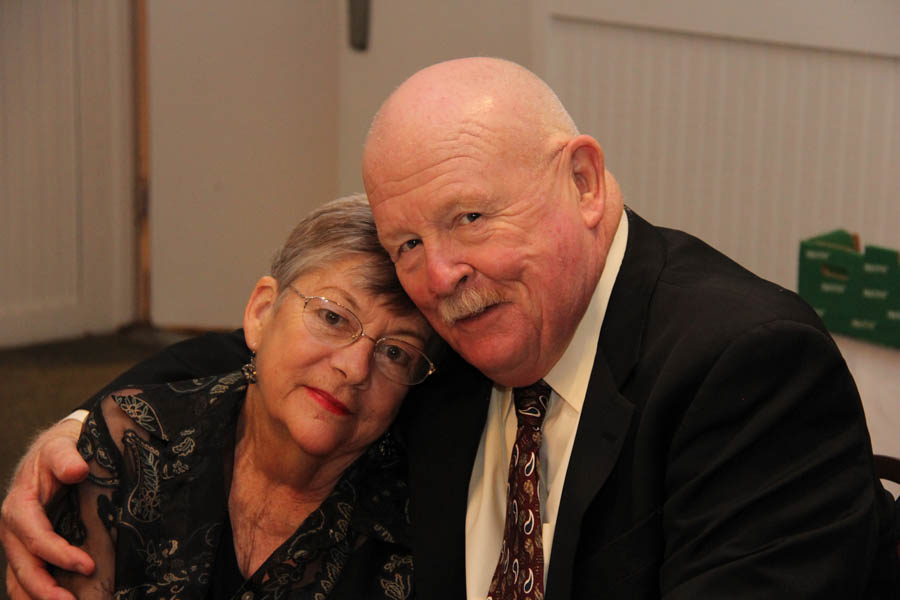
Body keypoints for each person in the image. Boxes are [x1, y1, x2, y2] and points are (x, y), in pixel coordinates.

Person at [3, 58, 898, 599]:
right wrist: (82, 431)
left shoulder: (745, 367)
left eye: (471, 218)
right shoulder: (463, 339)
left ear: (585, 183)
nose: (438, 278)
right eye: (407, 241)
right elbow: (279, 359)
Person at [40, 195, 438, 599]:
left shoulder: (420, 529)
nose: (354, 369)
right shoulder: (134, 442)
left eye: (395, 352)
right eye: (333, 317)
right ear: (261, 314)